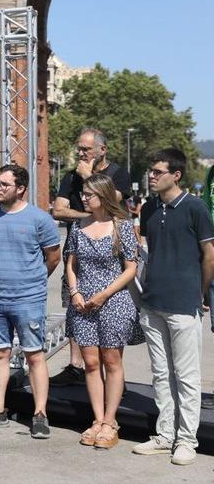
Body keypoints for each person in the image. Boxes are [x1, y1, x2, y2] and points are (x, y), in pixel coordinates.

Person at [133, 149, 214, 466]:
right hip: (153, 303)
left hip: (184, 302)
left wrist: (201, 293)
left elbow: (209, 254)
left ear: (175, 175)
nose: (151, 175)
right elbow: (149, 250)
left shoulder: (194, 207)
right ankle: (165, 435)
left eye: (157, 171)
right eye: (150, 171)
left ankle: (186, 440)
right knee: (161, 373)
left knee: (187, 375)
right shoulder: (149, 208)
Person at [0, 164, 60, 439]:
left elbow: (53, 257)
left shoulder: (40, 219)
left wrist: (31, 281)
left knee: (34, 355)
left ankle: (40, 414)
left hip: (28, 298)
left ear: (20, 188)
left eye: (4, 184)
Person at [65, 173, 140, 449]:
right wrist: (75, 292)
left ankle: (110, 421)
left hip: (113, 301)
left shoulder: (122, 226)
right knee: (91, 363)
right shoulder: (77, 227)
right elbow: (70, 265)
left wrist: (104, 294)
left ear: (103, 195)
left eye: (88, 194)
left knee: (111, 361)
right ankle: (97, 419)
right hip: (82, 303)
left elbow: (131, 268)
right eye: (83, 193)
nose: (83, 198)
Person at [51, 129, 131, 387]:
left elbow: (113, 205)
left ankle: (114, 376)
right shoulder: (70, 176)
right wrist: (87, 217)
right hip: (77, 253)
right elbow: (58, 209)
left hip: (109, 259)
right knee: (76, 308)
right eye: (80, 149)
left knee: (109, 321)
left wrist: (89, 178)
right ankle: (76, 365)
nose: (81, 153)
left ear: (102, 150)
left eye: (86, 149)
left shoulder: (118, 174)